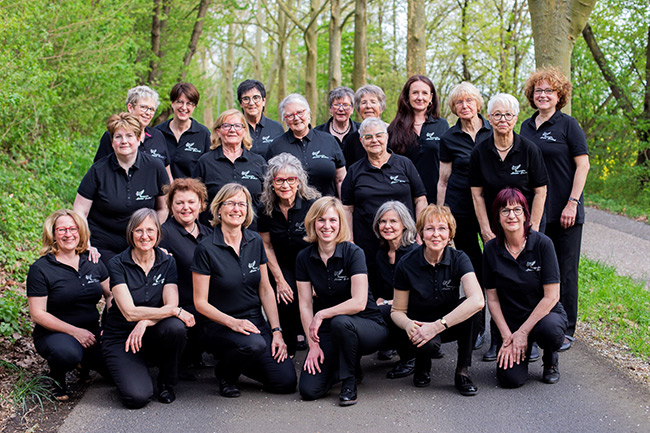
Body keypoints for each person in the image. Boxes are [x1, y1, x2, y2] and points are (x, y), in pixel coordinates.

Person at [192, 183, 297, 398]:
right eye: (230, 203)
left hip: (254, 322)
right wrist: (233, 323)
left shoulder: (255, 240)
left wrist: (277, 332)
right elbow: (200, 303)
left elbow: (265, 289)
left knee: (285, 382)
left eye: (242, 204)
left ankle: (239, 359)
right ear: (218, 209)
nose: (236, 209)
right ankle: (226, 374)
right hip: (220, 324)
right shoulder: (205, 248)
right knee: (253, 345)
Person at [469, 93, 549, 361]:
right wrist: (485, 229)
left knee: (529, 281)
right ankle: (498, 338)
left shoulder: (529, 149)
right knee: (497, 281)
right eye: (497, 114)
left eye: (508, 115)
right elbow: (477, 194)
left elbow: (540, 191)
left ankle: (531, 338)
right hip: (495, 226)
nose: (502, 119)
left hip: (526, 223)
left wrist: (532, 227)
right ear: (489, 119)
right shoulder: (480, 151)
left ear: (515, 118)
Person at [521, 67, 590, 352]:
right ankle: (537, 325)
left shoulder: (568, 125)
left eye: (549, 90)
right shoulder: (525, 127)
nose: (543, 95)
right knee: (536, 271)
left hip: (565, 212)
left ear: (559, 95)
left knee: (565, 271)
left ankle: (565, 328)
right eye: (538, 90)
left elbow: (583, 165)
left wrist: (572, 203)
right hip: (535, 213)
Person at [296, 197, 389, 406]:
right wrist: (313, 345)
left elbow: (359, 302)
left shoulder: (353, 252)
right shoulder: (304, 257)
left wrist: (322, 314)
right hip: (330, 328)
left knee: (341, 322)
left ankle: (349, 381)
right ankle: (341, 365)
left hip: (367, 324)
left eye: (333, 220)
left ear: (340, 223)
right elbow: (305, 304)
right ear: (312, 222)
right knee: (309, 390)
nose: (327, 226)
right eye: (321, 220)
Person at [102, 208, 195, 408]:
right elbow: (129, 313)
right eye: (139, 230)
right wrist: (174, 311)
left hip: (152, 330)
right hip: (122, 335)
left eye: (150, 230)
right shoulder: (117, 264)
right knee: (137, 398)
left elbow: (171, 303)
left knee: (175, 328)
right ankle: (133, 368)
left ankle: (166, 382)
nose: (145, 236)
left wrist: (145, 321)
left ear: (158, 233)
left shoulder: (167, 261)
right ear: (131, 233)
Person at [391, 205, 484, 396]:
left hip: (447, 322)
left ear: (450, 234)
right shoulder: (406, 263)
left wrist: (437, 326)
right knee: (428, 344)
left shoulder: (459, 258)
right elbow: (397, 311)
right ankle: (422, 365)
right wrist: (409, 325)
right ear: (421, 233)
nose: (436, 234)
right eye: (429, 228)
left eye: (442, 228)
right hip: (420, 325)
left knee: (474, 311)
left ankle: (462, 372)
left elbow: (477, 300)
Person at [483, 187, 567, 388]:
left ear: (525, 214)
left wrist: (523, 333)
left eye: (517, 210)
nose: (511, 215)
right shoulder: (491, 249)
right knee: (510, 380)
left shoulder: (543, 244)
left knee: (551, 331)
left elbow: (551, 296)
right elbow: (492, 299)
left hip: (543, 315)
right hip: (511, 321)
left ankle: (550, 359)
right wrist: (507, 337)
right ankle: (522, 351)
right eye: (505, 211)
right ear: (498, 217)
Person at [27, 210, 111, 401]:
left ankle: (85, 363)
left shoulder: (92, 261)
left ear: (80, 232)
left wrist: (110, 325)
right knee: (68, 354)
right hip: (55, 334)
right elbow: (37, 313)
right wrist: (75, 332)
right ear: (53, 234)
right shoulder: (41, 269)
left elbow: (111, 294)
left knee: (115, 372)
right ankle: (57, 379)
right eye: (62, 230)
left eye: (73, 229)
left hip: (92, 333)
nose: (68, 234)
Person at [341, 117, 427, 294]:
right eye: (368, 137)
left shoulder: (404, 164)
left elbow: (420, 199)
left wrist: (420, 233)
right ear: (361, 141)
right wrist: (349, 240)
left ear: (387, 137)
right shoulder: (354, 171)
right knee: (374, 292)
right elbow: (347, 209)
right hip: (367, 243)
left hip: (404, 242)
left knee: (409, 289)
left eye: (379, 135)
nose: (374, 140)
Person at [73, 112, 169, 266]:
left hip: (141, 242)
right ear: (112, 142)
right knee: (113, 279)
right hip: (103, 244)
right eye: (118, 137)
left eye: (129, 136)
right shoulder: (98, 170)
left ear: (139, 138)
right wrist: (87, 244)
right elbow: (80, 210)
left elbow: (163, 208)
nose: (124, 141)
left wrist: (151, 235)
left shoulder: (155, 168)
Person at [437, 82, 492, 350]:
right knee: (473, 268)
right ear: (453, 108)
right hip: (461, 209)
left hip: (492, 209)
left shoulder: (493, 130)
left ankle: (505, 327)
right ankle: (477, 326)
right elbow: (443, 181)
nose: (465, 105)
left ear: (478, 104)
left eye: (469, 100)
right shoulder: (449, 138)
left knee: (497, 265)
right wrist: (440, 216)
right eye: (459, 102)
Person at [258, 153, 321, 356]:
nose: (285, 185)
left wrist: (315, 278)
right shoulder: (265, 208)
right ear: (272, 183)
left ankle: (317, 342)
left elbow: (321, 242)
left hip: (312, 261)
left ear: (299, 181)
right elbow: (266, 245)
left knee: (316, 296)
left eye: (291, 179)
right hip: (281, 262)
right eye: (279, 180)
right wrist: (279, 280)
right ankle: (288, 347)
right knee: (285, 297)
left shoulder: (313, 203)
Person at [160, 178, 213, 376]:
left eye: (191, 202)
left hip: (206, 303)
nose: (186, 207)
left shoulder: (209, 233)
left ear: (201, 204)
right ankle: (179, 361)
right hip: (180, 306)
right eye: (179, 203)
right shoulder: (162, 235)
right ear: (171, 206)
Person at [192, 109, 267, 228]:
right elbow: (195, 200)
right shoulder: (205, 162)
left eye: (237, 126)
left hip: (252, 232)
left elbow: (267, 200)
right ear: (218, 131)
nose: (232, 130)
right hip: (213, 232)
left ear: (244, 131)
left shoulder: (258, 162)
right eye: (226, 126)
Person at [371, 201, 419, 378]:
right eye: (383, 221)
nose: (387, 226)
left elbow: (417, 293)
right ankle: (389, 344)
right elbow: (381, 290)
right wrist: (380, 301)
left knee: (387, 310)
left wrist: (387, 303)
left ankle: (410, 358)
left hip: (415, 307)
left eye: (393, 221)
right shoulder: (381, 254)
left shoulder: (414, 253)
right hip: (390, 305)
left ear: (404, 224)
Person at [266, 94, 346, 197]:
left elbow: (340, 179)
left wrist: (343, 204)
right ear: (285, 120)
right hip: (292, 206)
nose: (296, 118)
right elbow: (269, 183)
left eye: (300, 112)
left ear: (308, 113)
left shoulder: (328, 140)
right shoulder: (276, 146)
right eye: (290, 115)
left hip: (326, 205)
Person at [388, 75, 449, 204]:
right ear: (407, 96)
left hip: (435, 197)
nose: (420, 97)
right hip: (404, 199)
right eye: (415, 93)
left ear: (431, 97)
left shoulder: (442, 125)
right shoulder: (394, 128)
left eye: (424, 93)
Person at [94, 86, 172, 182]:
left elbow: (167, 175)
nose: (148, 113)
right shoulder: (114, 136)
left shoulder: (158, 136)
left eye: (151, 109)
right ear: (130, 107)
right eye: (143, 107)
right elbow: (99, 172)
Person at [156, 82, 211, 179]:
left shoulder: (203, 134)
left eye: (189, 103)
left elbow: (209, 169)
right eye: (180, 102)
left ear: (194, 106)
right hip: (161, 188)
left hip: (192, 188)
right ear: (172, 103)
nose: (184, 107)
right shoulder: (158, 132)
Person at [237, 79, 285, 157]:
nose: (251, 103)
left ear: (263, 101)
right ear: (241, 104)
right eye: (246, 99)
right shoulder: (234, 129)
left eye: (256, 98)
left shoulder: (277, 128)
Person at [344, 84, 388, 167]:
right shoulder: (351, 140)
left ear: (381, 107)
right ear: (358, 108)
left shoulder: (395, 133)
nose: (368, 106)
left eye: (373, 102)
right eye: (363, 102)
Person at [314, 86, 360, 153]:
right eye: (337, 105)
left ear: (352, 109)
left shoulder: (361, 130)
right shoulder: (317, 133)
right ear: (330, 108)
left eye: (345, 105)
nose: (341, 109)